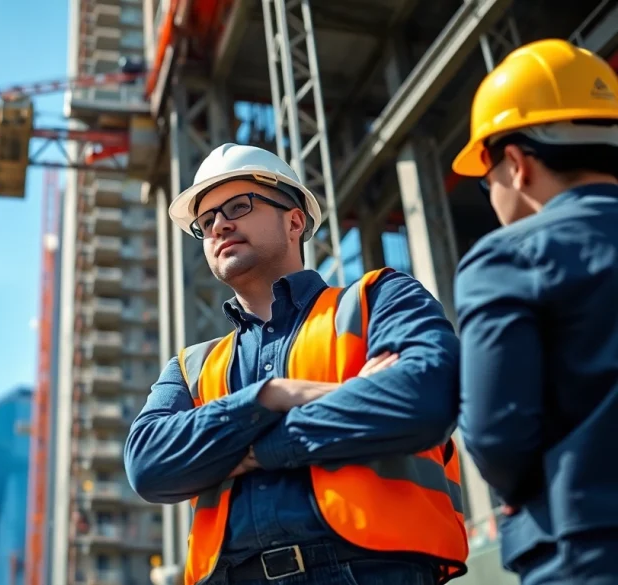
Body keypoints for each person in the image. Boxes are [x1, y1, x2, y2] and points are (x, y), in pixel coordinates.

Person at [124, 142, 469, 585]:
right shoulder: (192, 367)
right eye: (205, 221)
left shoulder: (378, 300)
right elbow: (149, 464)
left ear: (294, 221)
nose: (219, 225)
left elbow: (424, 399)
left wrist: (254, 450)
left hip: (373, 571)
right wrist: (272, 396)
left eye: (238, 205)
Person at [452, 38, 618, 585]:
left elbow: (497, 435)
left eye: (487, 174)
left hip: (585, 544)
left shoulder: (507, 258)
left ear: (518, 164)